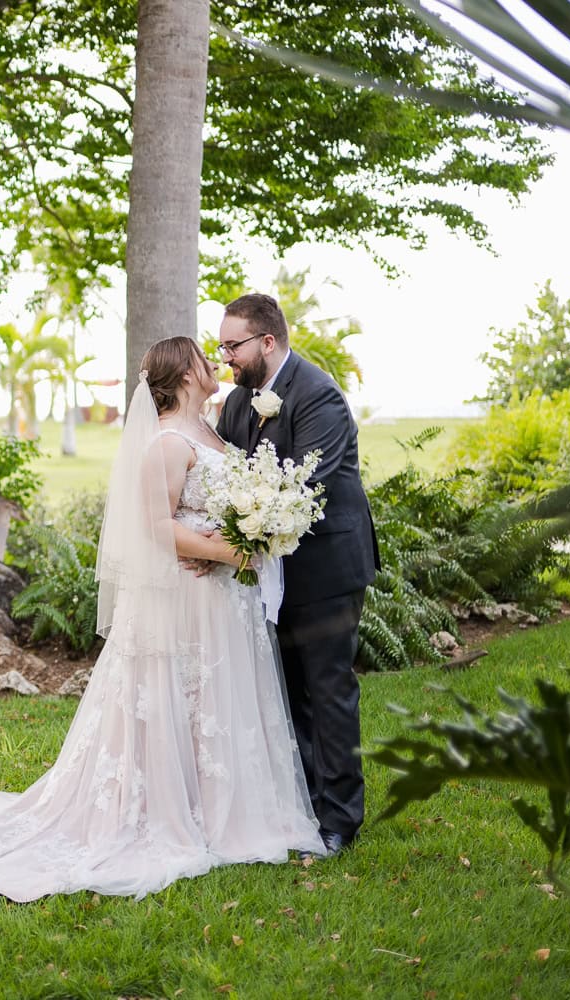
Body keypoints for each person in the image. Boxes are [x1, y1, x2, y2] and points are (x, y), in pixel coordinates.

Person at [0, 337, 323, 902]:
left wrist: (252, 532)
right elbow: (157, 528)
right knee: (183, 701)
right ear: (184, 374)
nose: (214, 361)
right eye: (200, 355)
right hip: (190, 599)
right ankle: (173, 815)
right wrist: (234, 553)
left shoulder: (214, 429)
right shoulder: (165, 441)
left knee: (214, 704)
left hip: (222, 601)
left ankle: (222, 812)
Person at [214, 293, 378, 857]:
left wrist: (235, 536)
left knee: (328, 690)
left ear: (267, 341)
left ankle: (339, 820)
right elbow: (227, 480)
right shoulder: (238, 404)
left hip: (325, 568)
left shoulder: (319, 395)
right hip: (267, 575)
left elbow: (300, 491)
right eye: (221, 347)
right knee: (288, 693)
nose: (225, 357)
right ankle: (304, 804)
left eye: (232, 346)